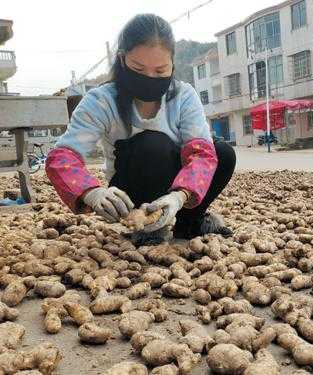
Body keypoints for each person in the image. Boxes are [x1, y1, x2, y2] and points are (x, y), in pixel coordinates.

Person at [45, 14, 236, 244]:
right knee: (153, 144)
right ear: (122, 60)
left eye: (160, 70)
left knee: (222, 154)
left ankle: (189, 222)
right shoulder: (102, 101)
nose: (150, 77)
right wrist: (91, 193)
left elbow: (202, 154)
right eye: (138, 68)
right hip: (131, 185)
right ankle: (145, 229)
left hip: (175, 184)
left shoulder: (183, 96)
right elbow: (63, 157)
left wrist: (178, 197)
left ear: (172, 64)